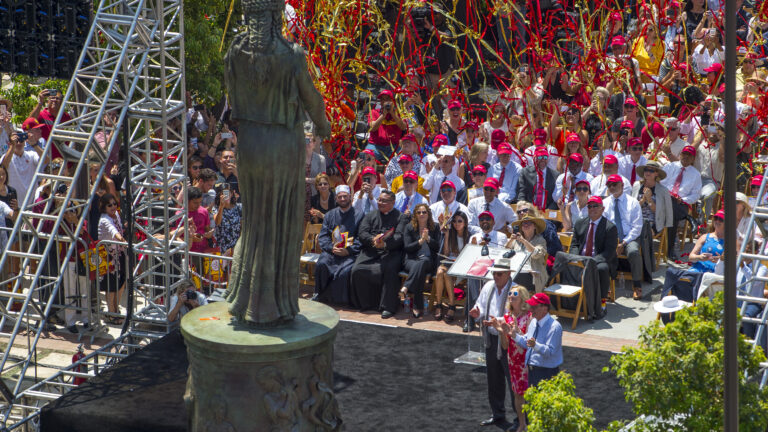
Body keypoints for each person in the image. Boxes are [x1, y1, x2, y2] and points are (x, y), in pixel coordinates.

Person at [469, 258, 519, 428]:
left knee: (513, 381)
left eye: (499, 274)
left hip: (508, 341)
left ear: (508, 274)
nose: (495, 276)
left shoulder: (516, 290)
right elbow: (481, 305)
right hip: (491, 339)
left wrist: (497, 322)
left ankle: (519, 420)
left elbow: (515, 315)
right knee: (494, 380)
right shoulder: (488, 286)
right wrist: (477, 311)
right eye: (494, 273)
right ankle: (497, 413)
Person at [350, 190, 404, 318]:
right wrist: (373, 240)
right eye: (379, 200)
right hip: (371, 250)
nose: (380, 203)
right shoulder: (370, 215)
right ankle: (364, 303)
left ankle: (387, 307)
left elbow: (399, 236)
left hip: (391, 251)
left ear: (393, 202)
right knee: (357, 269)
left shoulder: (400, 217)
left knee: (390, 270)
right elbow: (362, 233)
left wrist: (384, 243)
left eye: (384, 201)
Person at [490, 286, 532, 432]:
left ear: (522, 298)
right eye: (510, 294)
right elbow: (505, 345)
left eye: (515, 294)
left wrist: (517, 331)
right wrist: (502, 332)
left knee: (530, 394)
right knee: (517, 394)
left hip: (526, 361)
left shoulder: (529, 316)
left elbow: (529, 341)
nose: (511, 297)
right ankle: (522, 424)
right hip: (513, 361)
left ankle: (533, 423)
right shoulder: (507, 316)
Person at [313, 185, 362, 305]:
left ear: (350, 197)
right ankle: (319, 295)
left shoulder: (360, 215)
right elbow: (323, 236)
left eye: (345, 196)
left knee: (345, 271)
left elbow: (361, 238)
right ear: (336, 199)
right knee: (322, 264)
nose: (343, 199)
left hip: (350, 253)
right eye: (340, 197)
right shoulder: (330, 215)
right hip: (332, 251)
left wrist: (348, 251)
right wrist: (331, 248)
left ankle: (340, 300)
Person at [569, 196, 618, 309]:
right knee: (566, 264)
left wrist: (592, 261)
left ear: (602, 208)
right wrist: (575, 257)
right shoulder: (580, 223)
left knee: (602, 269)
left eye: (596, 206)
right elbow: (574, 244)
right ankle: (572, 300)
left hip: (600, 259)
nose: (592, 209)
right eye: (590, 206)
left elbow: (609, 252)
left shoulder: (610, 227)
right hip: (582, 258)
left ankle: (602, 302)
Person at [603, 174, 645, 299]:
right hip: (611, 238)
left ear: (622, 185)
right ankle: (606, 285)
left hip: (629, 237)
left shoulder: (633, 202)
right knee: (603, 252)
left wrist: (624, 242)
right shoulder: (604, 203)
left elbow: (637, 227)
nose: (612, 187)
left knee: (633, 252)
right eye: (609, 185)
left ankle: (637, 285)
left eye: (614, 184)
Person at [509, 292, 563, 387]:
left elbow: (550, 352)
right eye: (531, 306)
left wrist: (535, 345)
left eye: (534, 307)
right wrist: (514, 335)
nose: (531, 309)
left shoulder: (554, 327)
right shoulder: (533, 322)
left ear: (545, 309)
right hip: (532, 371)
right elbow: (527, 343)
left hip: (547, 372)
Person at [660, 145, 702, 259]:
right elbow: (660, 183)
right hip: (664, 199)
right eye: (684, 154)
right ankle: (688, 218)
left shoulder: (696, 174)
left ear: (693, 159)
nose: (686, 157)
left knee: (672, 212)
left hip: (680, 203)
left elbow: (696, 195)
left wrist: (682, 199)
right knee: (672, 212)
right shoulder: (670, 166)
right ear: (680, 155)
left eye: (689, 155)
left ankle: (670, 250)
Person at [399, 203, 440, 318]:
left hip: (428, 261)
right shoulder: (409, 227)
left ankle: (406, 286)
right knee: (419, 268)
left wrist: (428, 239)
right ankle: (417, 306)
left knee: (422, 263)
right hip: (411, 260)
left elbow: (437, 247)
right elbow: (407, 247)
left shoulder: (435, 227)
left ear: (428, 214)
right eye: (419, 212)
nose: (421, 214)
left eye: (424, 212)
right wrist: (420, 241)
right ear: (415, 215)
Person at [435, 211, 473, 323]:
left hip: (462, 266)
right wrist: (446, 236)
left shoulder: (469, 236)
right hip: (449, 262)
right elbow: (446, 254)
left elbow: (469, 257)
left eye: (460, 221)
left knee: (444, 272)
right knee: (440, 271)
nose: (457, 223)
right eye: (454, 221)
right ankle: (443, 304)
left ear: (465, 223)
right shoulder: (451, 233)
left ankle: (448, 305)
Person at [98, 193, 127, 324]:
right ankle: (111, 313)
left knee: (120, 284)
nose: (113, 206)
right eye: (110, 205)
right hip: (108, 255)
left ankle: (115, 310)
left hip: (118, 253)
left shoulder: (116, 215)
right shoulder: (104, 219)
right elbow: (113, 231)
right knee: (110, 286)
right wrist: (122, 240)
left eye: (114, 203)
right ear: (104, 207)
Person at [1, 130, 49, 206]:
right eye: (16, 140)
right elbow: (3, 167)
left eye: (21, 140)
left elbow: (46, 160)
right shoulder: (6, 157)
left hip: (31, 202)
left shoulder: (32, 155)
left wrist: (34, 145)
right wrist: (12, 146)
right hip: (13, 203)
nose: (19, 143)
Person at [506, 215, 548, 293]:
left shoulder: (540, 240)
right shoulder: (516, 240)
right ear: (521, 228)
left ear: (534, 227)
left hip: (533, 274)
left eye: (529, 223)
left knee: (514, 278)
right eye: (524, 224)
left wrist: (524, 241)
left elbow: (536, 254)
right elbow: (505, 254)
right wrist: (510, 240)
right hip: (516, 270)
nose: (526, 225)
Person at [367, 89, 407, 160]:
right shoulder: (374, 112)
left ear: (393, 101)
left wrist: (393, 113)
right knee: (367, 157)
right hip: (376, 146)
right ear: (381, 102)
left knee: (403, 159)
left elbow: (403, 127)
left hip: (394, 147)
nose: (385, 102)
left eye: (388, 99)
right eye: (383, 99)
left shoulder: (399, 113)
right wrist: (383, 115)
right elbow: (373, 128)